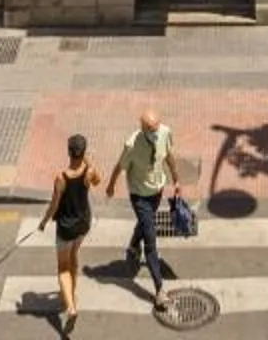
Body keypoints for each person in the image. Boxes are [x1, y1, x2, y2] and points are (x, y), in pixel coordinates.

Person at [105, 106, 178, 310]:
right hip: (139, 196)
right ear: (143, 127)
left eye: (157, 127)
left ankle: (133, 245)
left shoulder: (165, 132)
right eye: (151, 129)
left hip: (157, 190)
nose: (155, 132)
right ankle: (159, 290)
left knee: (145, 224)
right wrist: (111, 185)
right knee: (151, 241)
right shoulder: (132, 144)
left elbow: (169, 155)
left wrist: (176, 178)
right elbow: (119, 167)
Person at [37, 130, 104, 335]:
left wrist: (43, 222)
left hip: (66, 228)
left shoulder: (61, 178)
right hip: (83, 224)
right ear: (83, 152)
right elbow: (98, 181)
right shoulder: (89, 172)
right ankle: (71, 294)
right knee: (74, 256)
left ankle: (71, 308)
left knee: (62, 267)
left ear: (68, 152)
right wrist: (89, 162)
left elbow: (54, 205)